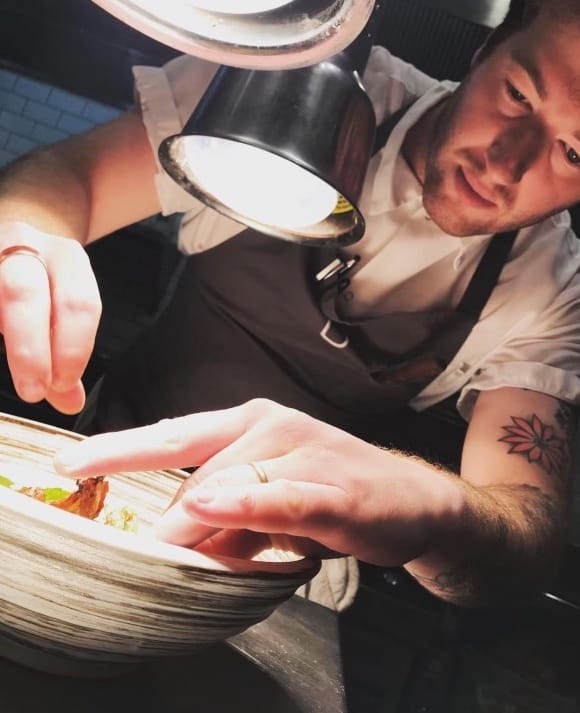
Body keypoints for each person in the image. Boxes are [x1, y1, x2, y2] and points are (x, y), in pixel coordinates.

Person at [0, 0, 579, 607]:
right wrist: (26, 237)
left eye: (573, 153)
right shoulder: (293, 80)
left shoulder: (549, 289)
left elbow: (524, 529)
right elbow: (73, 178)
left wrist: (428, 504)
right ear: (483, 51)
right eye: (518, 94)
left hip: (273, 578)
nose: (506, 164)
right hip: (97, 474)